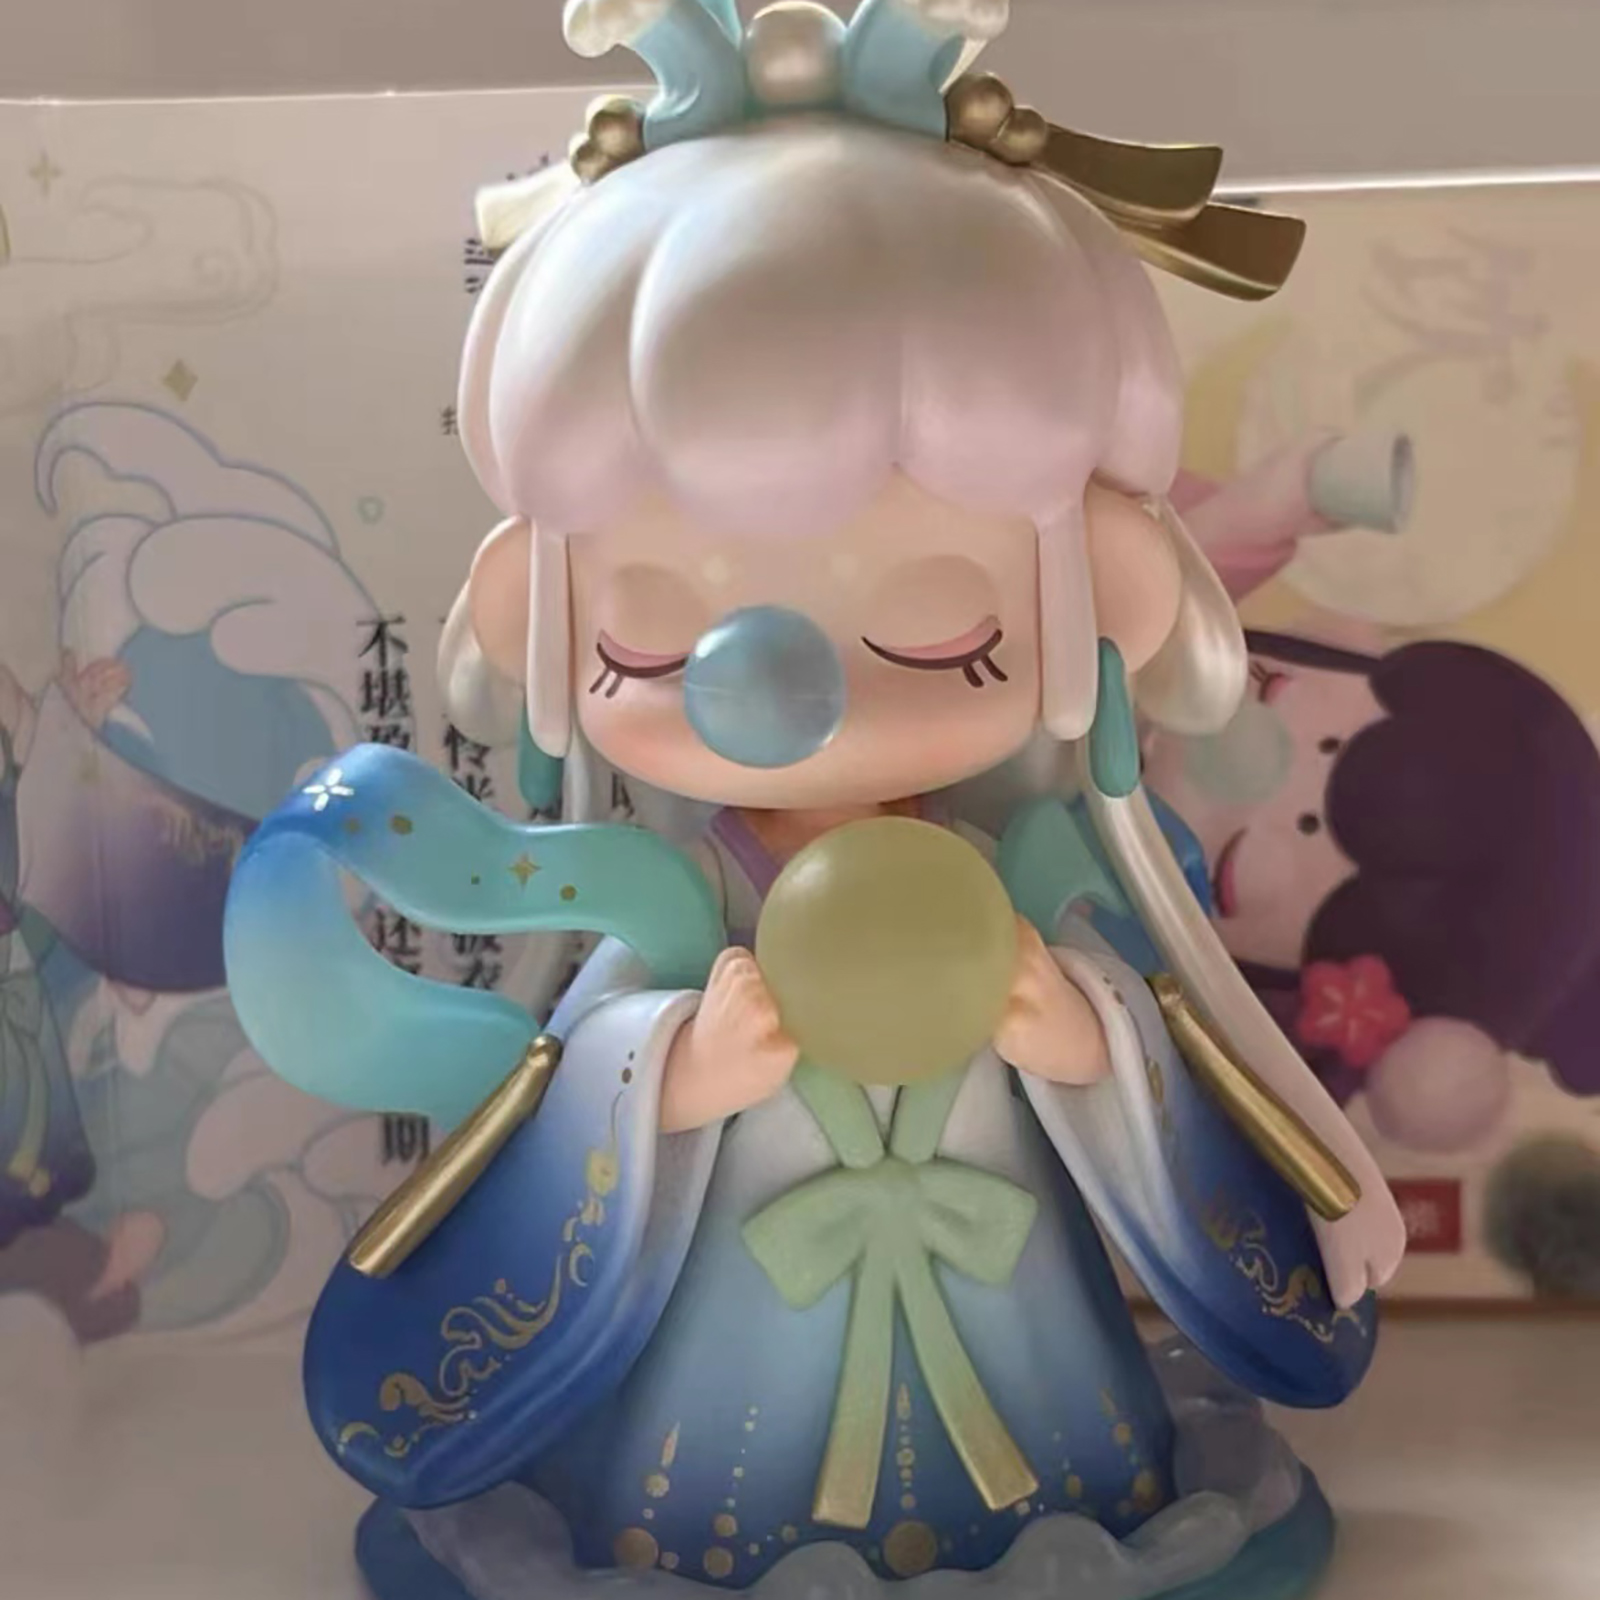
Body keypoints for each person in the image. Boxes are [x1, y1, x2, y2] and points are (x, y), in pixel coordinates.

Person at [225, 4, 1403, 1597]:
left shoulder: (1038, 873)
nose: (770, 680)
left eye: (935, 629)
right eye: (653, 633)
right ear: (544, 621)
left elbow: (1184, 1096)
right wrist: (668, 1078)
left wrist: (1086, 1046)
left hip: (1030, 1354)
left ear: (1101, 592)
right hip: (718, 1395)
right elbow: (567, 1098)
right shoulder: (669, 913)